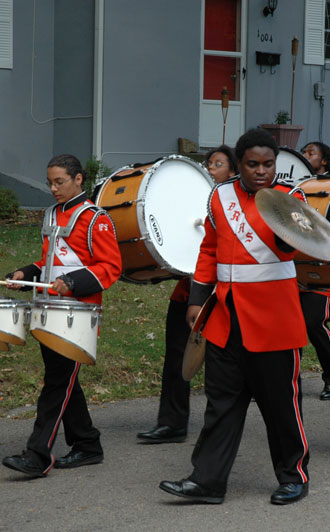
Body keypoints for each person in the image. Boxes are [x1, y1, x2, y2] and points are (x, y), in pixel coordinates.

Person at [159, 128, 310, 505]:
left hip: (273, 321)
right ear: (239, 163)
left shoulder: (289, 198)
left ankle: (294, 476)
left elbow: (296, 249)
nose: (262, 171)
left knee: (281, 406)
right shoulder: (219, 197)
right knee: (221, 404)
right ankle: (207, 481)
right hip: (226, 319)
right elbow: (208, 249)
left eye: (269, 164)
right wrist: (197, 297)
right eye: (253, 164)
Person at [2, 154, 121, 476]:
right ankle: (87, 444)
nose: (53, 189)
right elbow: (51, 265)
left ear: (78, 179)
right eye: (50, 182)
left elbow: (110, 268)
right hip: (48, 309)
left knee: (57, 382)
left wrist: (71, 283)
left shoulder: (96, 218)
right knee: (64, 381)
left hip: (78, 313)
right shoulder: (52, 214)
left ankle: (37, 455)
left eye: (60, 182)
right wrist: (26, 274)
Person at [137, 145, 237, 444]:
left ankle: (226, 427)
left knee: (228, 367)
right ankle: (172, 422)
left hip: (225, 297)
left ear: (233, 172)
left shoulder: (235, 207)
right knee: (177, 359)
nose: (209, 168)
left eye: (218, 164)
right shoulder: (192, 201)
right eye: (208, 163)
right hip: (189, 295)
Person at [298, 141, 330, 400]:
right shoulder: (295, 187)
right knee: (291, 327)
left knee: (314, 323)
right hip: (295, 267)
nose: (305, 156)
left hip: (321, 269)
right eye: (303, 153)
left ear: (324, 161)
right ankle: (290, 380)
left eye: (310, 153)